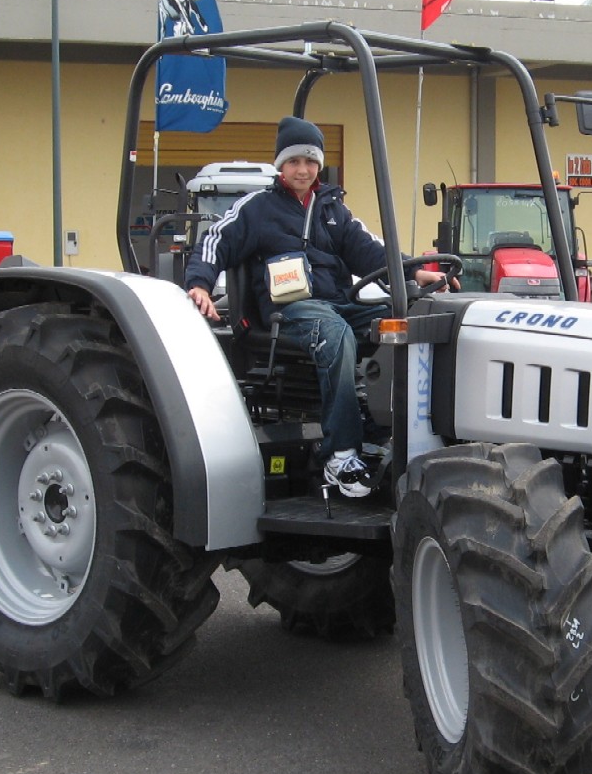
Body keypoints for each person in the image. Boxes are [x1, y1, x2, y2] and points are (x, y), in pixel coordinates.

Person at [184, 116, 448, 498]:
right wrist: (199, 285)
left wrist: (415, 272)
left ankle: (390, 430)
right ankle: (341, 456)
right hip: (289, 311)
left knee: (408, 321)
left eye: (310, 161)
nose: (303, 170)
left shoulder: (333, 210)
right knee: (334, 333)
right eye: (294, 161)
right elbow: (214, 241)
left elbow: (370, 250)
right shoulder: (256, 209)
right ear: (281, 165)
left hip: (335, 304)